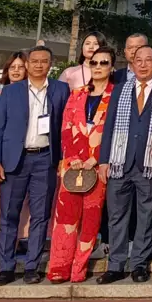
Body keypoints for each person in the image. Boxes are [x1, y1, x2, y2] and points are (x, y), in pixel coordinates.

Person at [0, 46, 69, 284]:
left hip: (45, 159)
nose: (39, 65)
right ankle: (6, 267)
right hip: (15, 159)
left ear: (50, 65)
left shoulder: (60, 90)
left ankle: (32, 266)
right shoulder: (11, 92)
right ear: (28, 64)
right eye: (34, 61)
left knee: (40, 215)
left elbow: (65, 125)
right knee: (8, 215)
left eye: (44, 61)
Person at [46, 45, 114, 284]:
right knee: (65, 219)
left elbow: (114, 132)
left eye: (103, 63)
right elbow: (66, 127)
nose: (98, 67)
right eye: (94, 63)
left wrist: (96, 157)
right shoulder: (77, 94)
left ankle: (78, 269)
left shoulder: (116, 95)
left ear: (112, 67)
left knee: (91, 220)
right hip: (72, 165)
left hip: (97, 166)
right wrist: (72, 156)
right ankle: (58, 268)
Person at [97, 45, 152, 283]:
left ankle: (139, 264)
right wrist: (104, 160)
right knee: (116, 215)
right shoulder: (120, 90)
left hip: (149, 163)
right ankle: (115, 265)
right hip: (119, 161)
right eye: (138, 60)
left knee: (146, 216)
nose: (143, 64)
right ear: (132, 64)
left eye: (148, 60)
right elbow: (109, 127)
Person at [0, 52, 28, 266]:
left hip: (21, 161)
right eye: (13, 67)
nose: (17, 71)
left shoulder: (33, 95)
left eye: (21, 67)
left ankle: (13, 245)